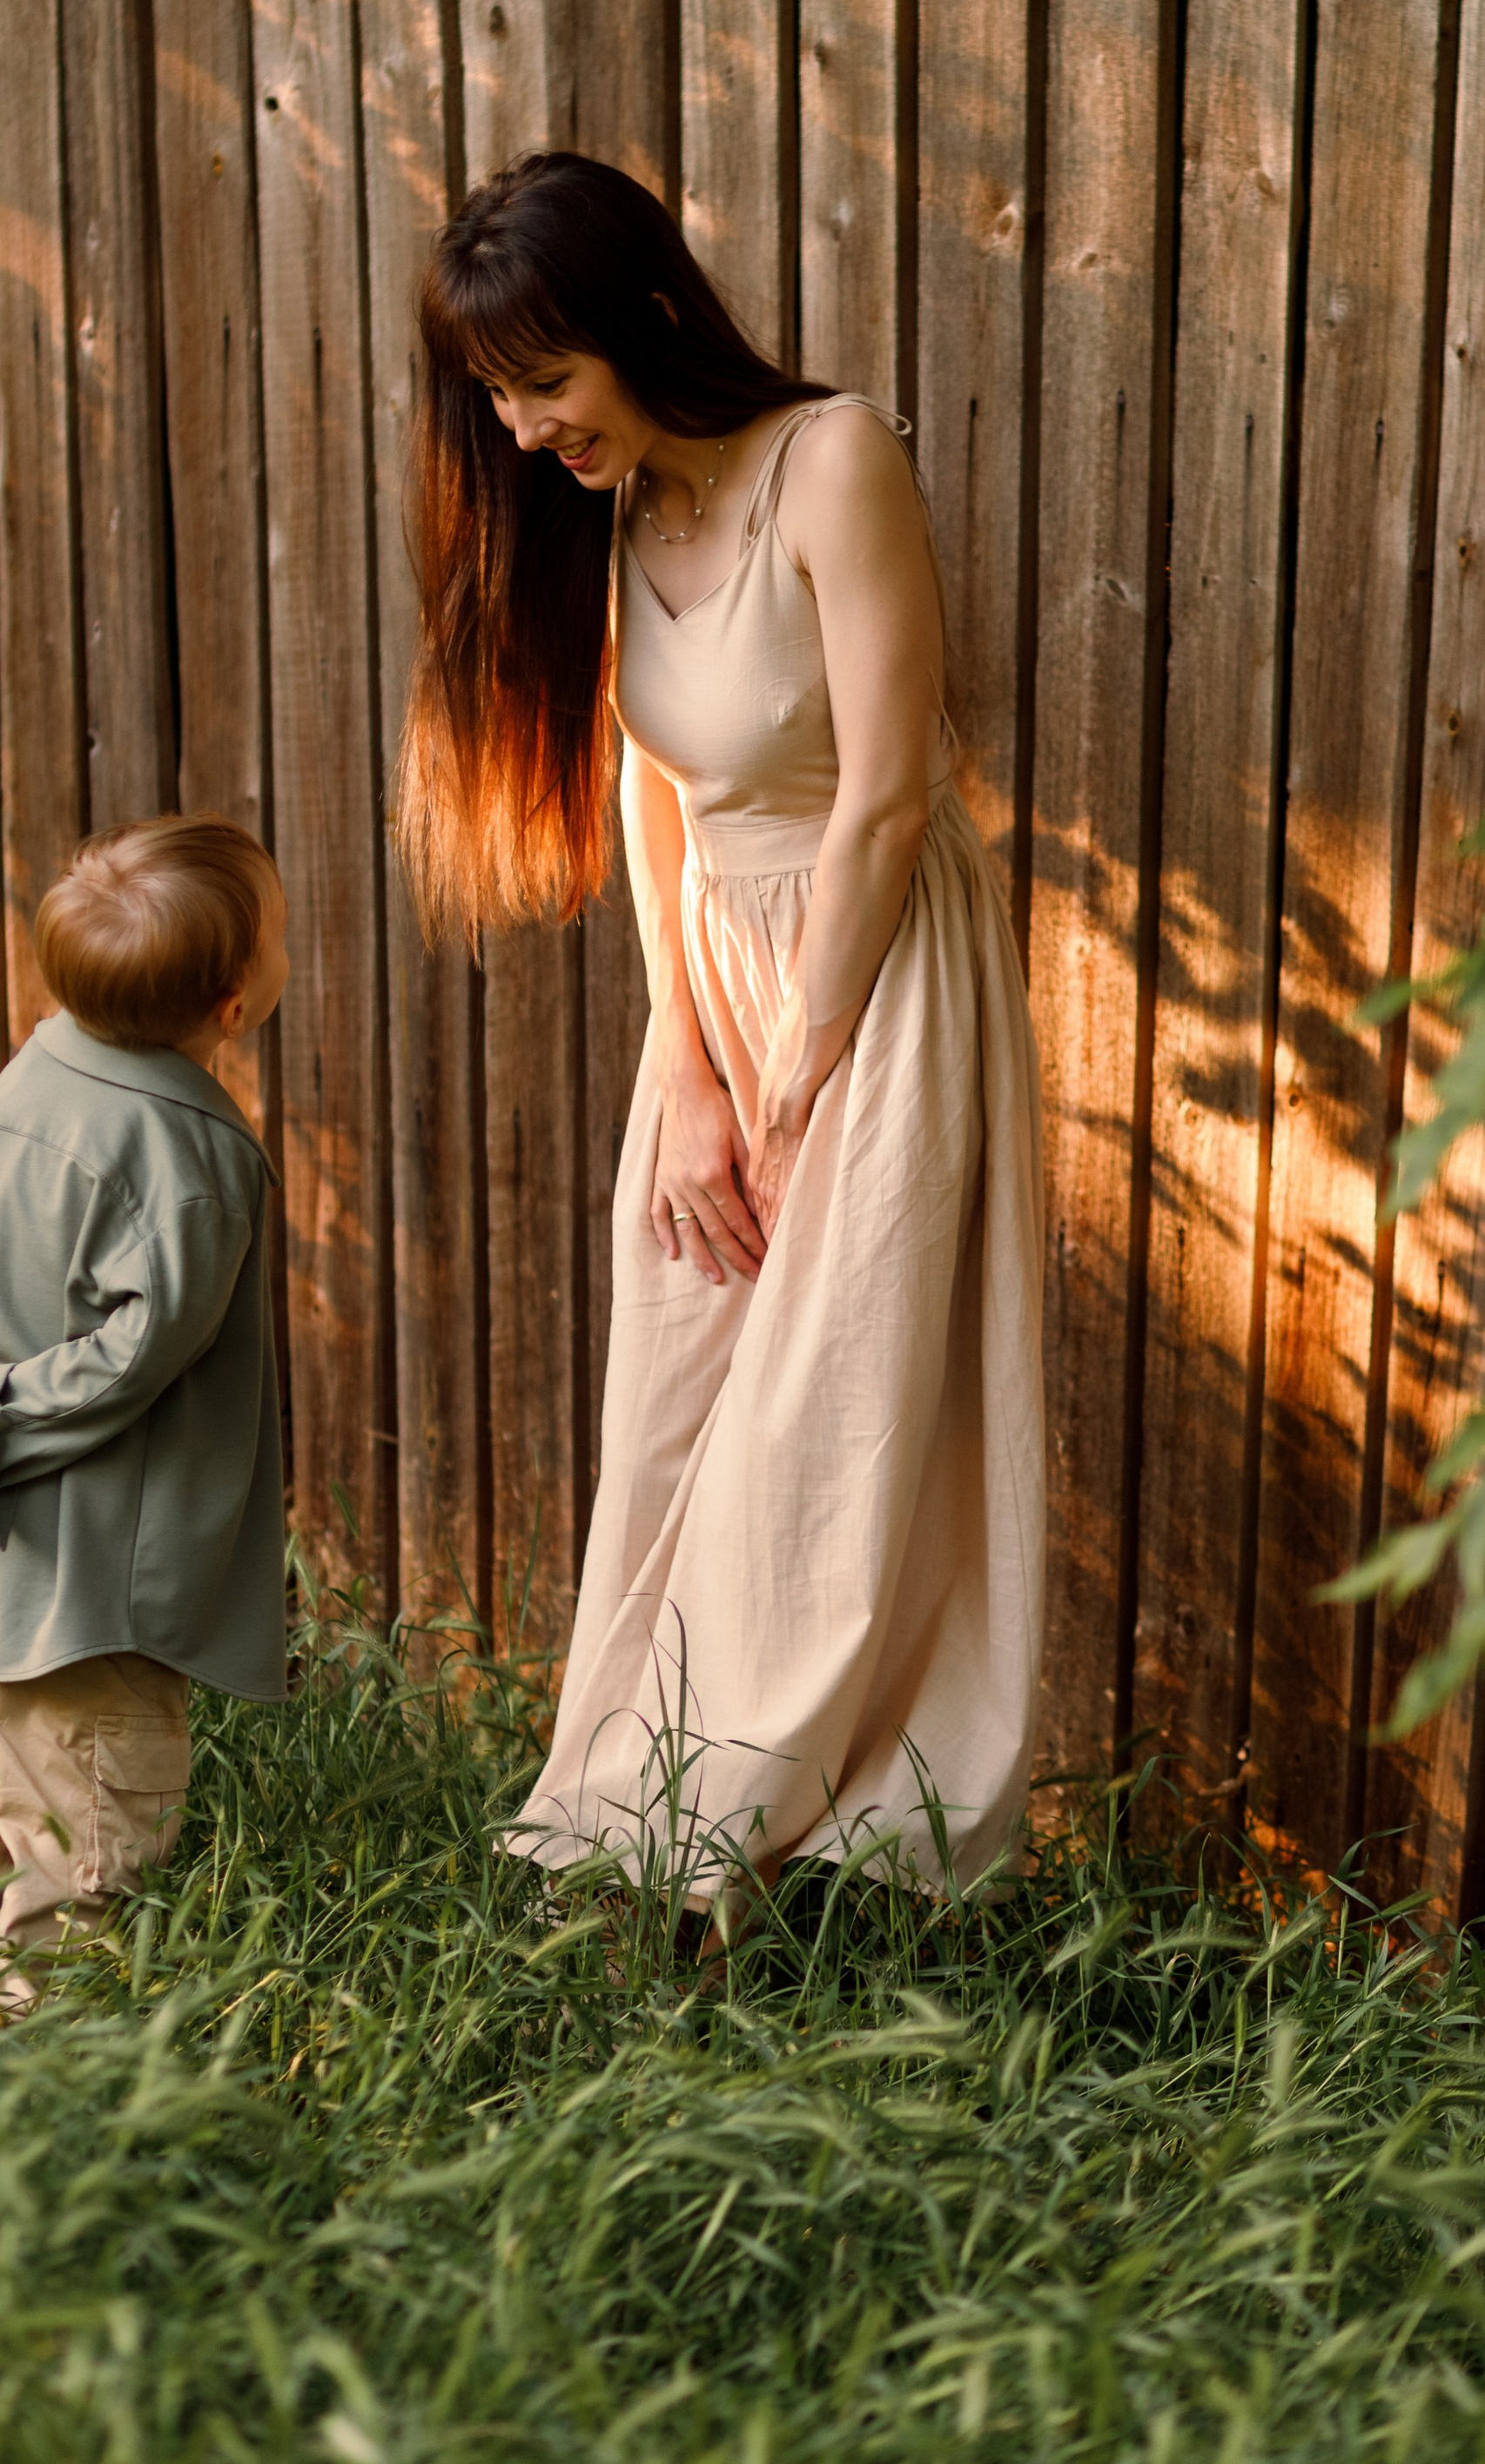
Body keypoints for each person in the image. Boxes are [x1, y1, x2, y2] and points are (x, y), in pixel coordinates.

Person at [399, 151, 1045, 1912]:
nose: (524, 431)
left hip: (876, 976)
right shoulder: (618, 521)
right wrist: (685, 1068)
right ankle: (645, 1805)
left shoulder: (830, 461)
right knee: (687, 1405)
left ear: (642, 320)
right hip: (717, 995)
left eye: (544, 384)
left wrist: (800, 1074)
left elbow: (887, 795)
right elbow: (652, 801)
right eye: (497, 399)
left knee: (828, 1411)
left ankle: (792, 1841)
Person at [0, 813, 289, 2000]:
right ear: (231, 1002)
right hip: (87, 1577)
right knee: (86, 1810)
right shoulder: (193, 1155)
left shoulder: (39, 1063)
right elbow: (133, 1354)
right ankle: (50, 2036)